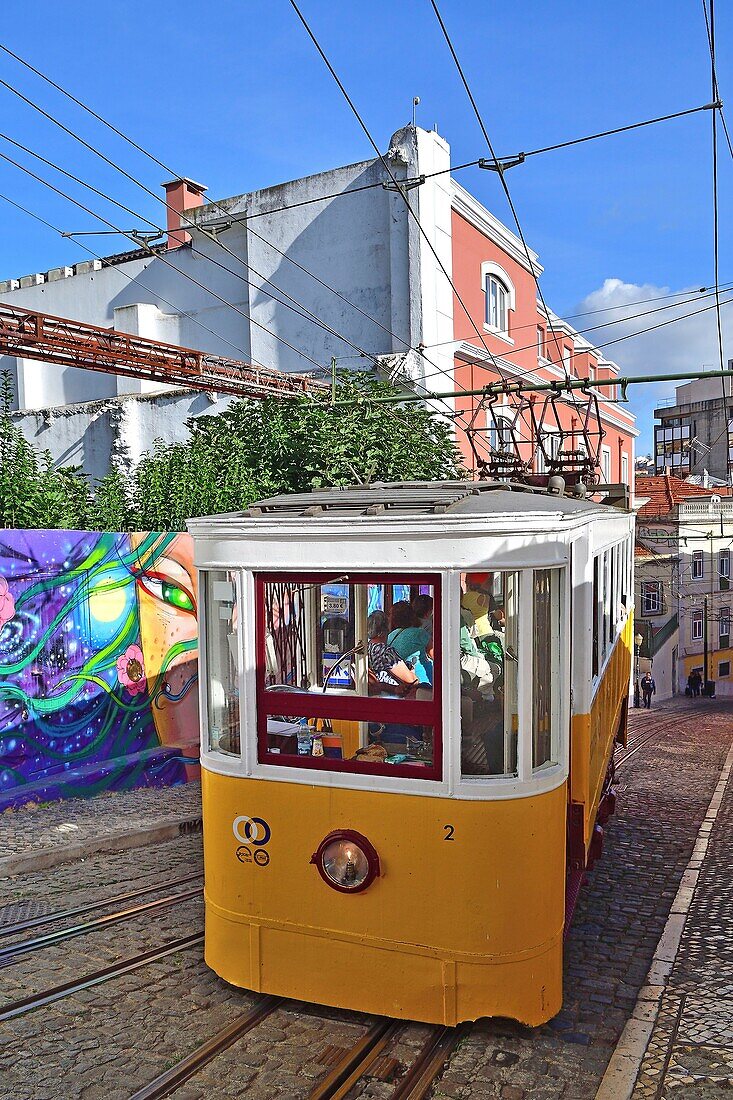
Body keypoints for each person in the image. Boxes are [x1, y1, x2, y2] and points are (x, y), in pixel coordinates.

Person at [387, 601, 433, 686]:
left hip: (401, 681)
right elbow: (434, 655)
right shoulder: (420, 633)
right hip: (423, 679)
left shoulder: (390, 636)